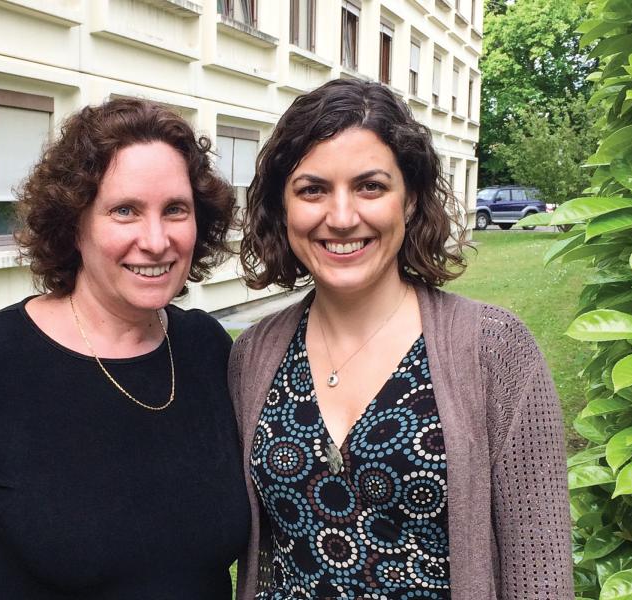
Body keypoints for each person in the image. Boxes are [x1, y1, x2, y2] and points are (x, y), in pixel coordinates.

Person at [230, 78, 572, 599]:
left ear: (409, 201)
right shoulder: (251, 357)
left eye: (370, 186)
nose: (342, 218)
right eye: (312, 189)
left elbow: (539, 566)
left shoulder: (496, 351)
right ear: (282, 207)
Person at [0, 98, 249, 598]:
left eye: (175, 209)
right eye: (125, 210)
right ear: (74, 223)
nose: (155, 240)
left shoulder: (207, 348)